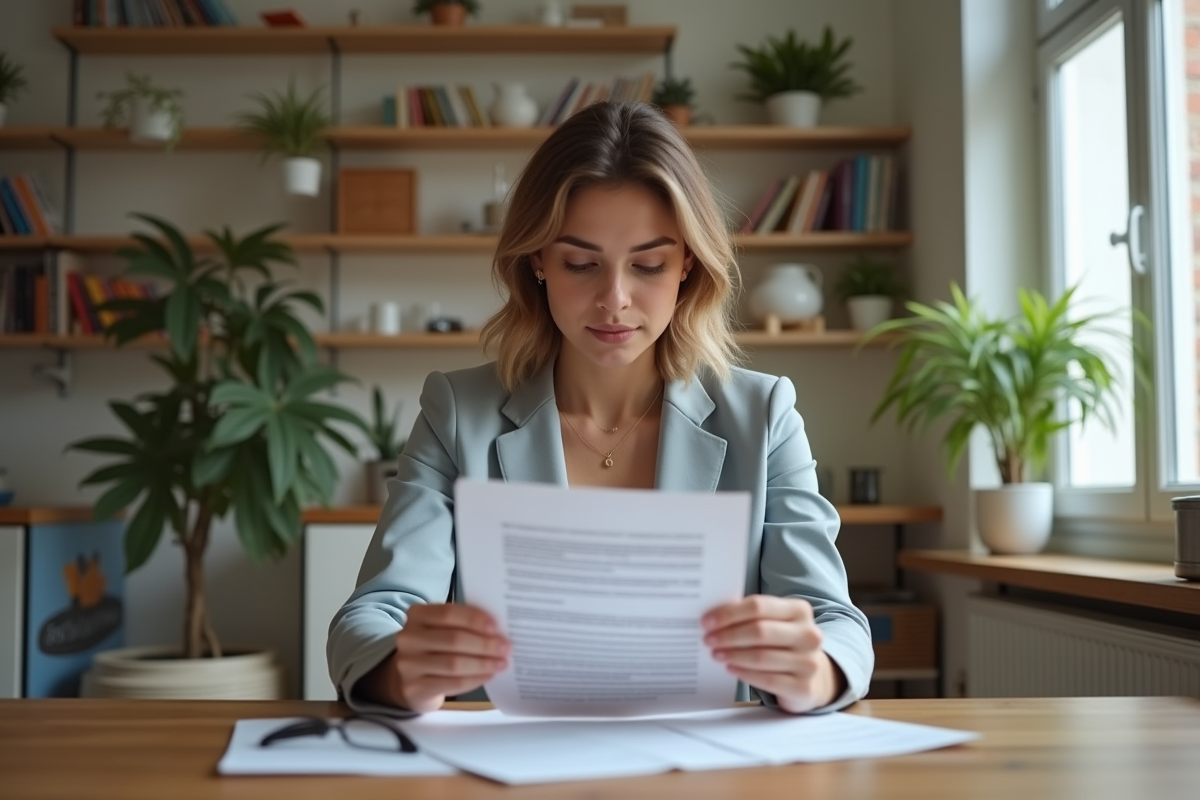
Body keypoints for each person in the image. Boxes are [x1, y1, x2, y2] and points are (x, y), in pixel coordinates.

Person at [328, 101, 873, 716]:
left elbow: (833, 619)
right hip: (512, 773)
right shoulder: (459, 412)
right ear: (537, 261)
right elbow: (371, 614)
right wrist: (400, 672)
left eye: (648, 264)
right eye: (581, 264)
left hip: (704, 768)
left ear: (688, 263)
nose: (614, 299)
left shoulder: (764, 414)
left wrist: (818, 671)